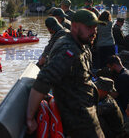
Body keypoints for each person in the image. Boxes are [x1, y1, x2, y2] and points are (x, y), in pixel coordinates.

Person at [26, 9, 105, 137]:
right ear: (74, 26)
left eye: (95, 28)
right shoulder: (68, 50)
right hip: (79, 122)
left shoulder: (82, 45)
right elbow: (43, 80)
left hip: (87, 113)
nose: (94, 32)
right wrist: (30, 118)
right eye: (89, 27)